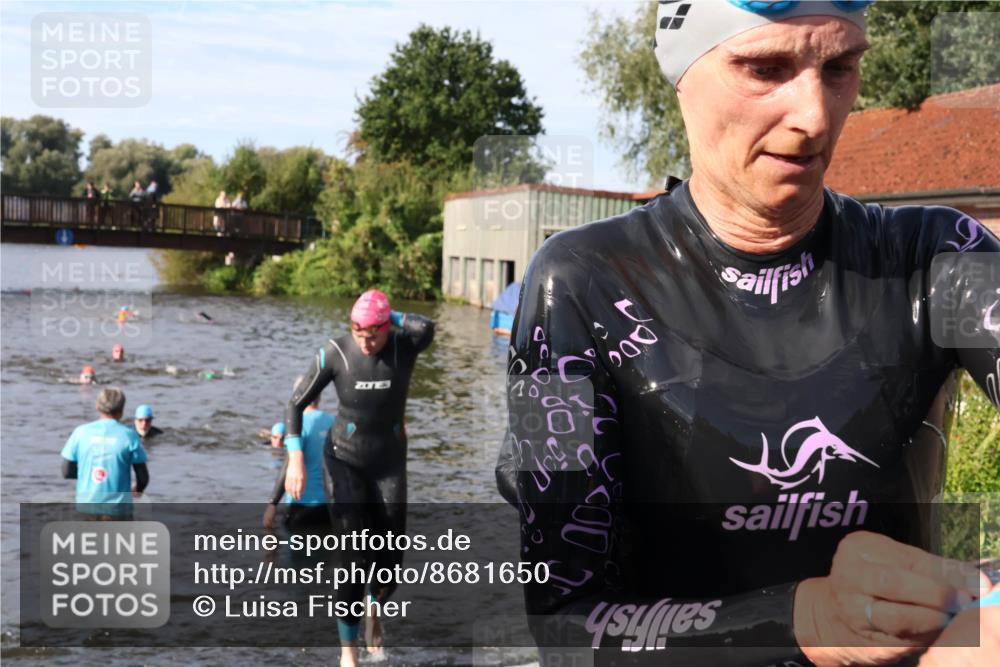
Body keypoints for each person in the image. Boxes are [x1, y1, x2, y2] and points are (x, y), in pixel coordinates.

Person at [497, 2, 999, 666]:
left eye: (840, 67)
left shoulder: (939, 257)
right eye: (764, 68)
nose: (815, 117)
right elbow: (562, 626)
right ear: (684, 76)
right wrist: (807, 618)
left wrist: (982, 608)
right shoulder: (574, 284)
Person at [284, 289, 435, 667]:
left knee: (390, 556)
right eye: (359, 333)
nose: (365, 343)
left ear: (386, 329)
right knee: (352, 555)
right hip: (343, 461)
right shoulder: (336, 352)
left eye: (373, 334)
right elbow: (295, 403)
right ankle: (348, 653)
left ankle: (374, 606)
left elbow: (427, 327)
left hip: (388, 466)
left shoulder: (403, 347)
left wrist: (387, 313)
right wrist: (296, 459)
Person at [61, 387, 149, 519]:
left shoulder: (80, 432)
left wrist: (88, 477)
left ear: (97, 407)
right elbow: (143, 477)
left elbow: (66, 472)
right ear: (121, 411)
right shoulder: (129, 436)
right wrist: (137, 490)